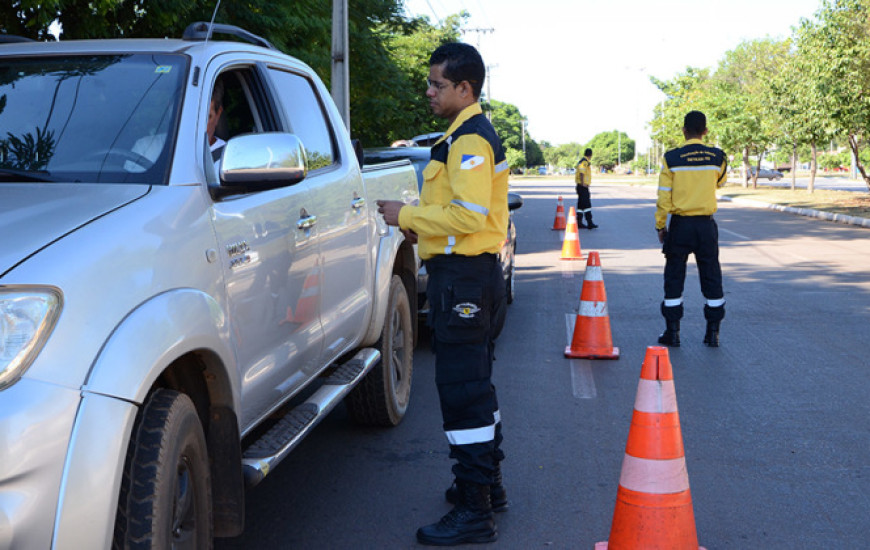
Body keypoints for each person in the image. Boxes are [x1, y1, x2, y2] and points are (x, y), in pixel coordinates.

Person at [377, 42, 508, 546]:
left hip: (465, 282)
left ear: (464, 88)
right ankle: (486, 486)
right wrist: (423, 231)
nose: (429, 91)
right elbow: (458, 217)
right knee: (477, 385)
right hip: (467, 275)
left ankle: (476, 510)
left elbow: (469, 216)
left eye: (437, 84)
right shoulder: (460, 135)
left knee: (463, 392)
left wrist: (405, 216)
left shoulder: (470, 139)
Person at [655, 110, 728, 347]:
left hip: (680, 226)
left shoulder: (672, 158)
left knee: (674, 276)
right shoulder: (718, 157)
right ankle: (713, 333)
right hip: (706, 226)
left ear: (684, 130)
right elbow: (720, 182)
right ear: (705, 131)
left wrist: (660, 225)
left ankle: (673, 333)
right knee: (712, 275)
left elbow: (664, 196)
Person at [207, 77, 226, 176]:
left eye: (207, 118)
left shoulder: (226, 162)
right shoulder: (156, 147)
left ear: (218, 115)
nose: (200, 128)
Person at [575, 148, 598, 229]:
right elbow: (582, 173)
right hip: (582, 186)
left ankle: (579, 222)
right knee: (587, 204)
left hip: (580, 186)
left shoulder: (583, 161)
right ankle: (589, 222)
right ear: (590, 155)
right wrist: (583, 183)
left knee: (581, 205)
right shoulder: (584, 162)